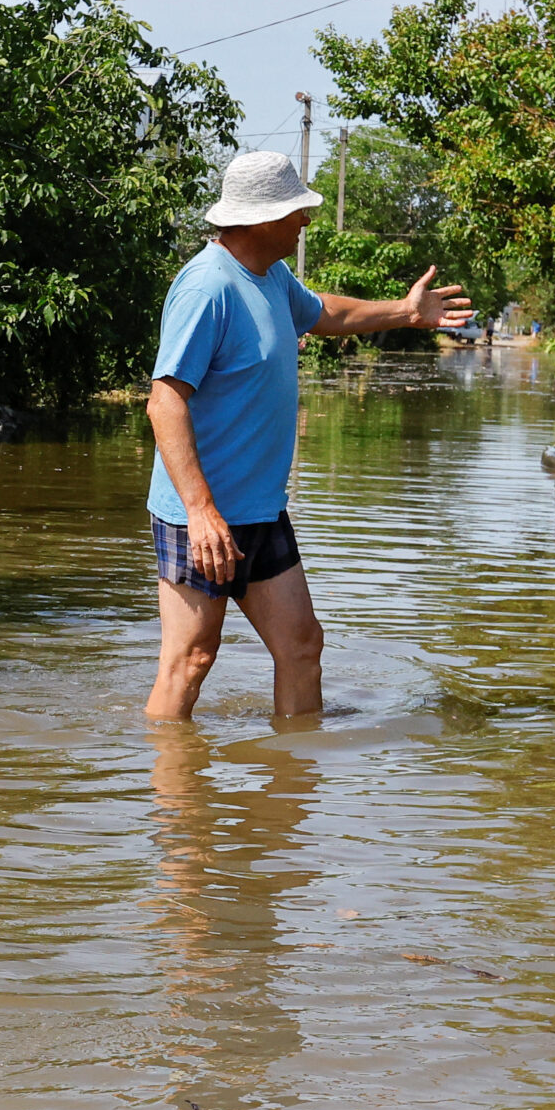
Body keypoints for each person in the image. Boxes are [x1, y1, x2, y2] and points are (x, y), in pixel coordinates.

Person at [145, 150, 474, 721]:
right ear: (259, 218)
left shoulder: (271, 278)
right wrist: (200, 510)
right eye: (297, 211)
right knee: (191, 658)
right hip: (200, 515)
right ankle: (176, 804)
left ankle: (292, 789)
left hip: (261, 509)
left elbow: (328, 315)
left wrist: (405, 311)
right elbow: (164, 402)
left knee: (301, 647)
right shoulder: (208, 287)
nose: (305, 222)